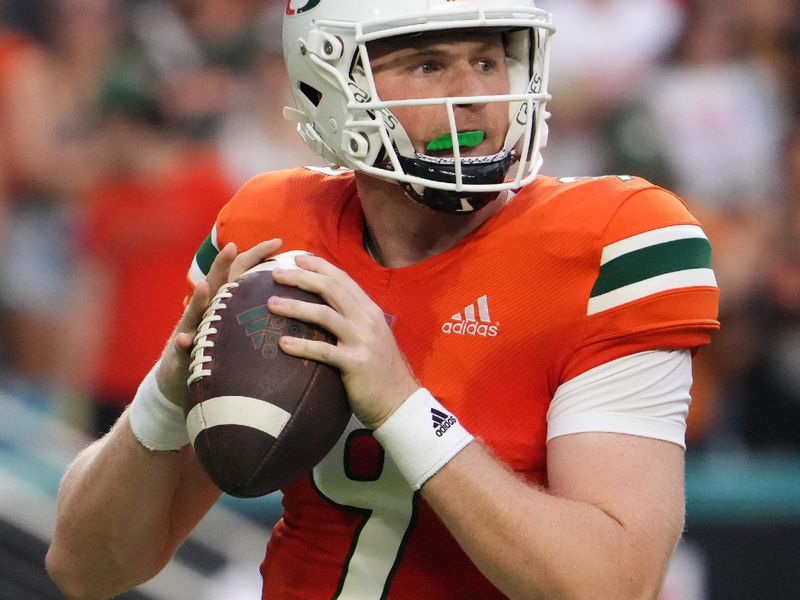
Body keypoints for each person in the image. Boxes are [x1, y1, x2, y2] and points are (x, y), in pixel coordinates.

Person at [46, 1, 720, 599]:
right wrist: (168, 391)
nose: (476, 96)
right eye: (428, 66)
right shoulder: (272, 231)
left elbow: (613, 584)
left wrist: (401, 405)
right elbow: (85, 568)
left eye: (489, 60)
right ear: (329, 82)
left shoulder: (612, 240)